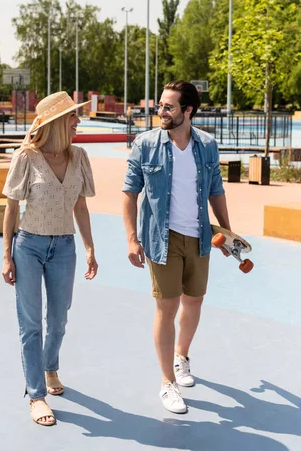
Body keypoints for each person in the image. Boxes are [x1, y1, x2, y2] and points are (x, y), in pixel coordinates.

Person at [122, 80, 231, 414]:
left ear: (188, 110)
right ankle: (167, 382)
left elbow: (215, 190)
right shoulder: (145, 144)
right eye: (160, 106)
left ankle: (182, 357)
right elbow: (130, 192)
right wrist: (131, 237)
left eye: (168, 107)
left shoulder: (207, 145)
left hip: (199, 237)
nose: (161, 112)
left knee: (194, 300)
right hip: (160, 238)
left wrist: (227, 232)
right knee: (167, 307)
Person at [2, 91, 98, 426]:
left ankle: (50, 366)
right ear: (57, 122)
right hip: (28, 247)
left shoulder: (80, 156)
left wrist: (89, 248)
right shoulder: (26, 157)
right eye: (73, 117)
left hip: (65, 247)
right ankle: (36, 394)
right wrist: (6, 256)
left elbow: (81, 206)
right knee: (31, 324)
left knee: (58, 319)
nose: (78, 122)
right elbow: (11, 208)